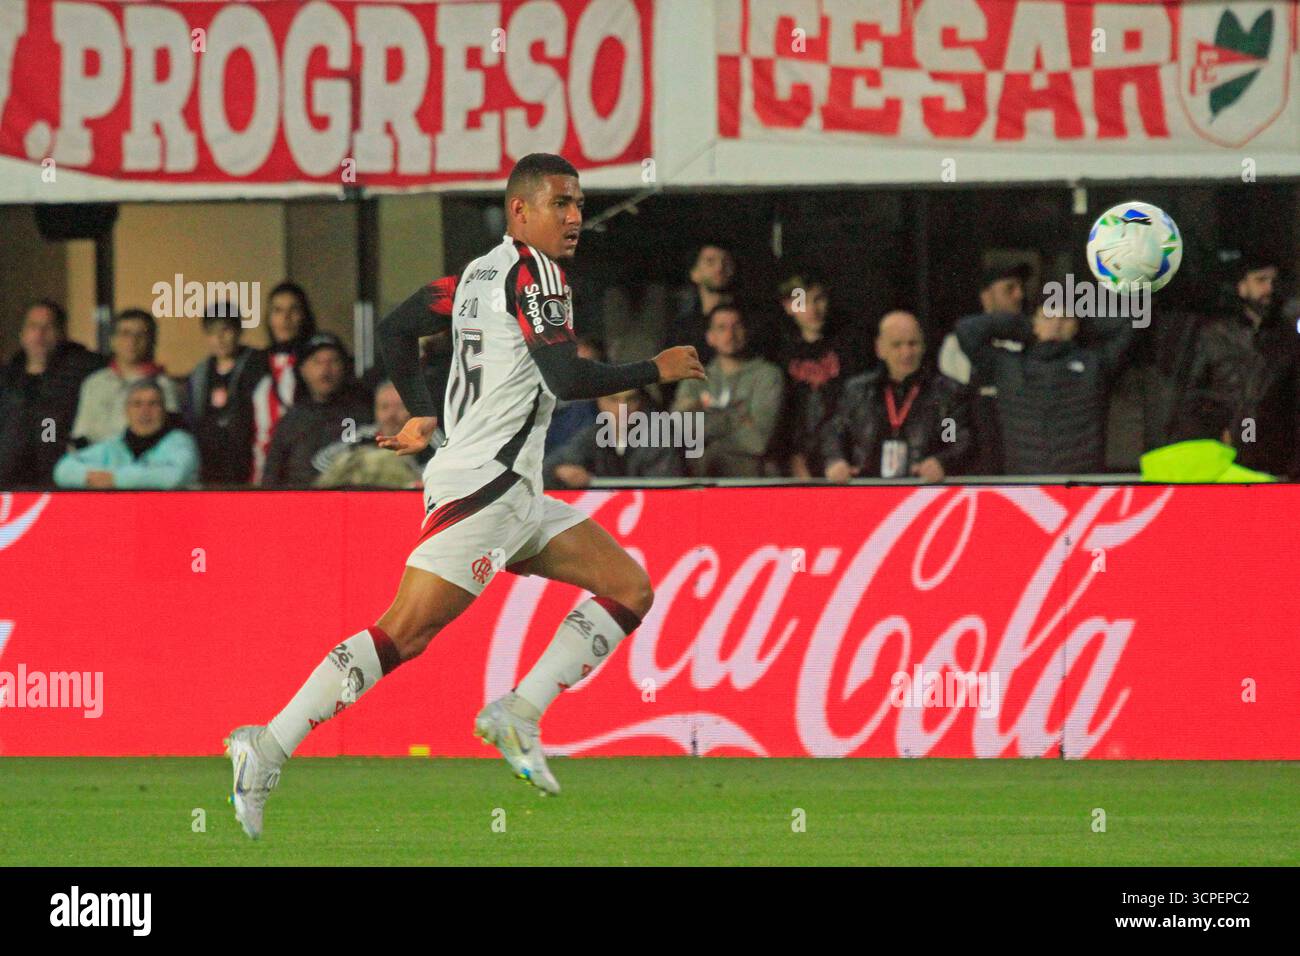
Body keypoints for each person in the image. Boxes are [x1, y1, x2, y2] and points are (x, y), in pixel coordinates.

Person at [224, 152, 704, 839]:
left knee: (628, 587)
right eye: (560, 203)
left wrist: (423, 412)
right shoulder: (538, 275)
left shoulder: (477, 274)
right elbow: (566, 379)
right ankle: (265, 747)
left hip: (511, 487)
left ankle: (519, 711)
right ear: (521, 210)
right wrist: (651, 367)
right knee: (403, 633)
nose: (574, 217)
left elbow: (395, 329)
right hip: (487, 487)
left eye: (578, 204)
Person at [955, 294, 1132, 475]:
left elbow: (1128, 325)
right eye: (1048, 317)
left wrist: (1083, 322)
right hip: (1026, 489)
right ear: (1034, 324)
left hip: (1082, 488)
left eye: (1066, 318)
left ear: (1076, 326)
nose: (1056, 324)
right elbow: (966, 329)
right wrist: (1023, 326)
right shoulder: (1007, 366)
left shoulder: (1095, 364)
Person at [1171, 255, 1300, 478]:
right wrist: (1217, 431)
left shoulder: (1287, 338)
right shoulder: (1214, 335)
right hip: (1223, 456)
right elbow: (1191, 395)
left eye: (1273, 281)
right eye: (1261, 280)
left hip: (1276, 459)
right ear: (1241, 286)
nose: (1269, 288)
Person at [822, 311, 970, 482]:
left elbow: (955, 440)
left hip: (922, 491)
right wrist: (835, 461)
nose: (906, 353)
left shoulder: (945, 394)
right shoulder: (857, 392)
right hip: (865, 490)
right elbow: (834, 432)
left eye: (912, 344)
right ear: (880, 349)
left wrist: (942, 461)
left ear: (923, 346)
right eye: (897, 345)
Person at [671, 304, 785, 477]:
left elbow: (758, 441)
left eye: (736, 326)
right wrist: (738, 418)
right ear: (710, 337)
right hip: (701, 481)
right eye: (722, 327)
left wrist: (705, 417)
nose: (730, 335)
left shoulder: (767, 376)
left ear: (746, 331)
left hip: (752, 481)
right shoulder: (694, 378)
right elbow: (679, 430)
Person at [938, 262, 1031, 474]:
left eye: (1021, 289)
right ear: (986, 296)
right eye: (1009, 288)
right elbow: (949, 411)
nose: (1019, 295)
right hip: (973, 457)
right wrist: (947, 452)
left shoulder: (1031, 342)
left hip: (1020, 454)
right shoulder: (955, 345)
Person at [0, 300, 105, 487]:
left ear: (61, 333)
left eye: (48, 327)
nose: (39, 334)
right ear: (22, 334)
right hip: (8, 481)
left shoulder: (81, 371)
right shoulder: (8, 377)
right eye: (33, 326)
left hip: (59, 478)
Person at [259, 333, 372, 487]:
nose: (325, 370)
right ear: (302, 370)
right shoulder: (290, 422)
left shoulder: (362, 417)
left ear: (345, 367)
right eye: (317, 362)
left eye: (333, 361)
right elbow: (270, 479)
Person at [773, 273, 857, 478]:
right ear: (788, 306)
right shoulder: (780, 353)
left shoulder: (848, 346)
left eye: (818, 299)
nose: (812, 309)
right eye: (802, 301)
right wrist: (792, 457)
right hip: (794, 455)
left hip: (842, 453)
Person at [53, 379, 198, 489]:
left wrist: (116, 479)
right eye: (137, 404)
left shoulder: (181, 442)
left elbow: (173, 477)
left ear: (164, 410)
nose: (145, 411)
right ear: (126, 411)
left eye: (153, 404)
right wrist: (90, 477)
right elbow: (63, 470)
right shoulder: (113, 445)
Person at [70, 308, 181, 445]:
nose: (132, 341)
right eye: (125, 334)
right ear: (113, 340)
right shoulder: (95, 382)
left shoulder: (163, 386)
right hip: (96, 461)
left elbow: (169, 438)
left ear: (152, 340)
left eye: (140, 335)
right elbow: (81, 433)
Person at [184, 305, 267, 484]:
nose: (219, 338)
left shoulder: (257, 364)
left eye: (226, 330)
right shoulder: (200, 373)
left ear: (239, 331)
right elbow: (192, 418)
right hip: (209, 463)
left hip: (249, 458)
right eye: (212, 332)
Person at [543, 388, 684, 488]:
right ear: (599, 401)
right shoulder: (593, 435)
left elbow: (662, 490)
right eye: (613, 400)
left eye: (630, 399)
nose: (622, 408)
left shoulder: (660, 436)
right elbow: (546, 468)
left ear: (641, 402)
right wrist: (558, 472)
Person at [250, 282, 318, 483]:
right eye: (278, 310)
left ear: (304, 315)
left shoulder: (317, 362)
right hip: (258, 475)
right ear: (269, 318)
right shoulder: (254, 365)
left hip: (304, 474)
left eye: (293, 309)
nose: (285, 318)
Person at [313, 380, 428, 488]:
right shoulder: (365, 436)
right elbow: (321, 461)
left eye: (400, 407)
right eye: (384, 407)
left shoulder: (428, 435)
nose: (391, 415)